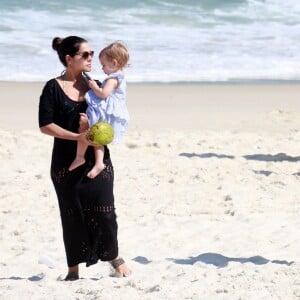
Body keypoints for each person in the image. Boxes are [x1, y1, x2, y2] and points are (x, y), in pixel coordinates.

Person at [38, 36, 131, 280]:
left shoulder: (96, 84)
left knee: (105, 210)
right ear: (69, 59)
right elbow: (45, 125)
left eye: (92, 54)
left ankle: (113, 257)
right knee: (72, 213)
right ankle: (73, 268)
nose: (91, 59)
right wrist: (78, 136)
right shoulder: (52, 87)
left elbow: (109, 119)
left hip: (97, 158)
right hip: (66, 162)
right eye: (86, 55)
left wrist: (94, 131)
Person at [69, 41, 130, 179]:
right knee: (96, 137)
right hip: (107, 110)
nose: (102, 69)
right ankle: (97, 162)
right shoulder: (119, 77)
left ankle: (82, 157)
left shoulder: (113, 79)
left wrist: (93, 86)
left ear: (114, 63)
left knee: (87, 130)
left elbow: (103, 94)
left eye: (104, 65)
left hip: (104, 111)